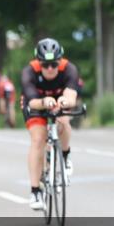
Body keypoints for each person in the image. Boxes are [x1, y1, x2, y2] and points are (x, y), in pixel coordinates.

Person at [21, 38, 80, 210]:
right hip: (36, 103)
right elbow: (31, 101)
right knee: (38, 139)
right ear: (38, 62)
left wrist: (64, 101)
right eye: (45, 65)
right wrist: (44, 101)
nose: (50, 69)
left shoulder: (69, 69)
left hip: (59, 102)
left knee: (63, 120)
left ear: (60, 61)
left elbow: (71, 96)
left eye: (54, 64)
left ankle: (65, 155)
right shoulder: (29, 72)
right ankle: (35, 191)